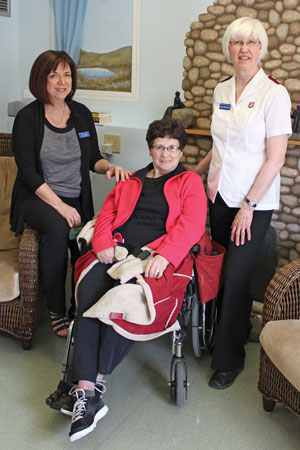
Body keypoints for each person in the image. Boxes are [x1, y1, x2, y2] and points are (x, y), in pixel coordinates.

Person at [63, 118, 207, 441]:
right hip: (117, 251)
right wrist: (102, 245)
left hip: (152, 257)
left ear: (181, 151)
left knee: (122, 301)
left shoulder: (189, 182)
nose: (166, 153)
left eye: (172, 148)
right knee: (87, 294)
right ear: (150, 149)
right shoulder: (132, 180)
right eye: (160, 146)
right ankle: (88, 392)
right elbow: (106, 215)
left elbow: (193, 224)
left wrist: (166, 255)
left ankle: (94, 380)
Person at [195, 17, 292, 389]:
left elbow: (276, 158)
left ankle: (229, 360)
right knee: (221, 275)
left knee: (236, 278)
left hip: (252, 204)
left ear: (262, 48)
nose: (244, 48)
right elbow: (219, 148)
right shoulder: (221, 90)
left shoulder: (274, 94)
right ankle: (224, 335)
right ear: (228, 49)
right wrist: (193, 174)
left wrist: (249, 205)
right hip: (219, 197)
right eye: (237, 42)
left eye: (251, 42)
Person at [10, 50, 130, 337]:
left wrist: (109, 167)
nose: (62, 81)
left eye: (67, 74)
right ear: (41, 79)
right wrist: (61, 208)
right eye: (54, 75)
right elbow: (29, 174)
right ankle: (55, 308)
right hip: (37, 197)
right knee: (56, 226)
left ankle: (81, 303)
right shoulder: (28, 118)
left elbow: (94, 159)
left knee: (86, 240)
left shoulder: (81, 114)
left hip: (76, 196)